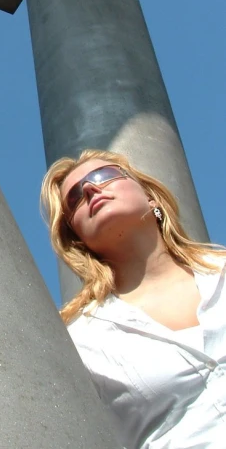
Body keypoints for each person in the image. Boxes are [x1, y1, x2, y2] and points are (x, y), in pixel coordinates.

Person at [41, 148, 226, 449]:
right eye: (74, 199)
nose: (89, 188)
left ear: (150, 197)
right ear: (76, 237)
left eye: (104, 175)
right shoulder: (79, 341)